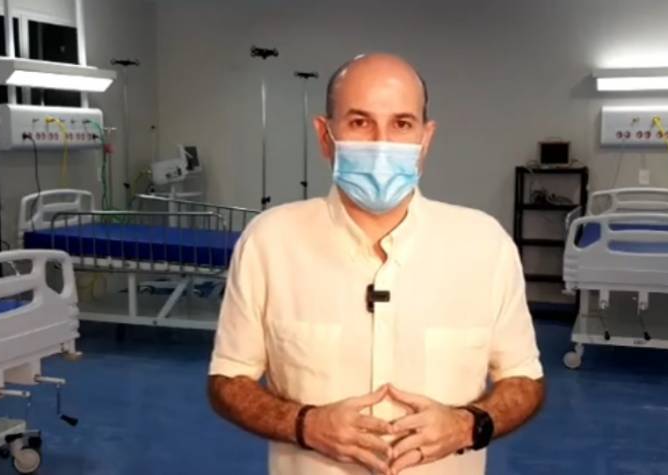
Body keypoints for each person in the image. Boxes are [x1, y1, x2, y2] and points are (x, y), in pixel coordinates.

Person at [208, 53, 545, 475]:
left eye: (402, 124)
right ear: (325, 135)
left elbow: (523, 380)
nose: (381, 143)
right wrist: (304, 424)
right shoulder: (270, 242)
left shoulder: (485, 245)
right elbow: (229, 379)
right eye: (359, 122)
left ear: (425, 138)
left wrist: (467, 426)